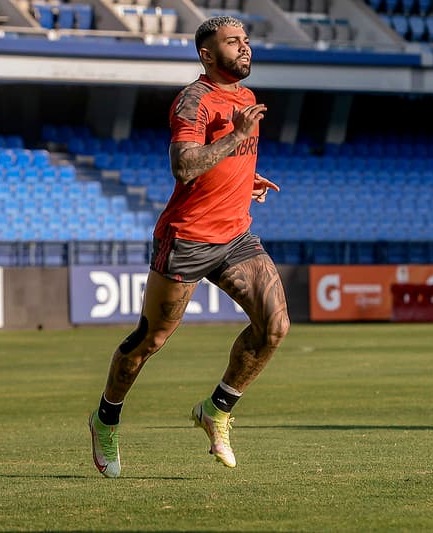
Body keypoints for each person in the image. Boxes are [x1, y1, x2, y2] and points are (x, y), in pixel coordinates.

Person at [88, 15, 290, 478]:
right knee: (150, 341)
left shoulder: (246, 97)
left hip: (236, 235)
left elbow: (221, 160)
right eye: (232, 42)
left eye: (245, 40)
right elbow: (184, 165)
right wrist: (237, 137)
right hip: (187, 238)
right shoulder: (193, 100)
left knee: (274, 325)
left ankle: (215, 411)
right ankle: (105, 418)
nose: (245, 48)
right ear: (206, 54)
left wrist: (243, 178)